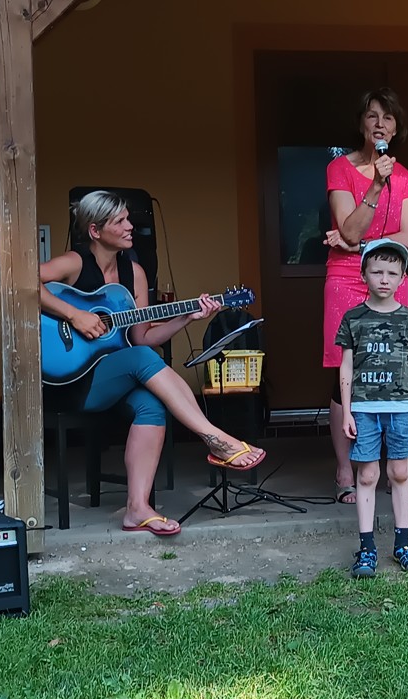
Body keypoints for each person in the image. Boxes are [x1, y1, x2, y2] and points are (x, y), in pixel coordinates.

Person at [39, 191, 265, 537]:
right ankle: (215, 438)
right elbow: (20, 281)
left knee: (152, 404)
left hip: (113, 378)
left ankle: (137, 508)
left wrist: (186, 318)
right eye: (120, 221)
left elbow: (142, 338)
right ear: (95, 230)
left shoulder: (135, 274)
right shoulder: (74, 262)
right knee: (143, 360)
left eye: (129, 219)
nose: (131, 226)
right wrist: (74, 314)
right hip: (71, 380)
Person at [322, 87, 408, 505]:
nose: (380, 124)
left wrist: (361, 246)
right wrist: (377, 187)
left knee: (394, 369)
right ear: (361, 124)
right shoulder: (339, 168)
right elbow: (347, 227)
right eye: (372, 116)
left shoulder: (406, 176)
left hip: (392, 278)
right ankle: (346, 469)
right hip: (346, 281)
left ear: (396, 129)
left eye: (388, 118)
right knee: (347, 370)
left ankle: (395, 470)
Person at [337, 239, 408, 577]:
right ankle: (366, 547)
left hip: (402, 408)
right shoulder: (353, 318)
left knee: (400, 472)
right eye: (377, 272)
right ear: (364, 274)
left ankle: (403, 543)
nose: (384, 279)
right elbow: (346, 367)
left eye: (392, 273)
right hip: (364, 408)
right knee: (367, 474)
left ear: (402, 278)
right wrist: (347, 411)